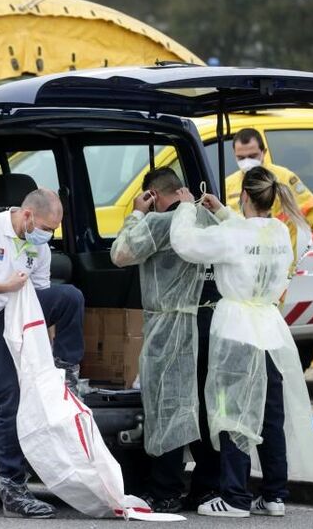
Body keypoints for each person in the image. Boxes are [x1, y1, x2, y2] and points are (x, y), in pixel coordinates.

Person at [170, 166, 313, 517]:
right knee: (270, 416)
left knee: (232, 412)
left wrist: (187, 208)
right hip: (271, 330)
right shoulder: (280, 231)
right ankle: (274, 495)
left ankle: (234, 497)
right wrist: (222, 212)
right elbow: (248, 234)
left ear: (244, 196)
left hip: (236, 331)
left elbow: (186, 244)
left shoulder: (233, 234)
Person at [0, 188, 85, 518]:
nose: (47, 236)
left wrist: (44, 359)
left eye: (53, 230)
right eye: (44, 228)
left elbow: (39, 303)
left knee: (70, 298)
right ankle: (13, 489)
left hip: (18, 314)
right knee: (10, 395)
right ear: (26, 215)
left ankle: (68, 371)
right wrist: (3, 286)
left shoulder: (39, 248)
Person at [110, 168, 220, 513]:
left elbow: (121, 253)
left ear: (154, 195)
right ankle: (206, 487)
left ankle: (165, 490)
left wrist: (137, 214)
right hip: (209, 321)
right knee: (202, 409)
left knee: (168, 407)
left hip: (170, 325)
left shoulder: (160, 223)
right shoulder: (207, 220)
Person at [227, 128, 313, 258]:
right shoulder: (228, 185)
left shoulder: (283, 177)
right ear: (234, 155)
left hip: (281, 265)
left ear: (263, 152)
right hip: (246, 266)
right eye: (241, 158)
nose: (247, 161)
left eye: (252, 156)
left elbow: (311, 208)